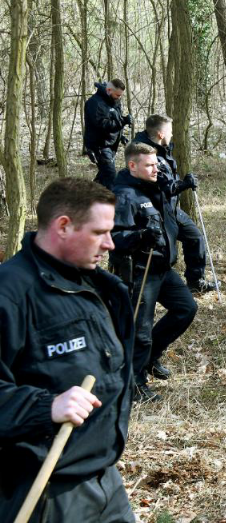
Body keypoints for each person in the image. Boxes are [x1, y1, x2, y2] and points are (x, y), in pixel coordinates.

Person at [0, 178, 135, 523]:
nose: (110, 244)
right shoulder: (10, 295)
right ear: (63, 225)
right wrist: (46, 406)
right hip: (45, 493)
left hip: (106, 480)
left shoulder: (98, 285)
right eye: (99, 232)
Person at [111, 142, 197, 402]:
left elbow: (167, 203)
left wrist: (180, 186)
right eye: (149, 165)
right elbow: (114, 238)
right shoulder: (124, 195)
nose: (156, 169)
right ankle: (134, 384)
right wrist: (140, 236)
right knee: (141, 330)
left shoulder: (154, 185)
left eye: (157, 164)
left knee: (186, 308)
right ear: (132, 165)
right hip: (140, 268)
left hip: (162, 267)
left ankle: (149, 359)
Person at [132, 115, 216, 294]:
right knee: (162, 251)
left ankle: (195, 281)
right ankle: (153, 288)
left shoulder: (163, 149)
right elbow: (164, 186)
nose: (172, 135)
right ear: (161, 134)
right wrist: (184, 184)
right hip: (155, 211)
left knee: (195, 237)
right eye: (170, 131)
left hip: (171, 208)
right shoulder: (145, 153)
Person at [83, 79, 132, 190]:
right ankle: (113, 204)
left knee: (103, 176)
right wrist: (123, 121)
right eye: (117, 95)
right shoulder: (94, 103)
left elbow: (115, 119)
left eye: (121, 95)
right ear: (109, 90)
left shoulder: (114, 101)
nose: (119, 97)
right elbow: (102, 125)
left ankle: (88, 196)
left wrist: (121, 136)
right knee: (110, 176)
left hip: (111, 145)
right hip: (99, 145)